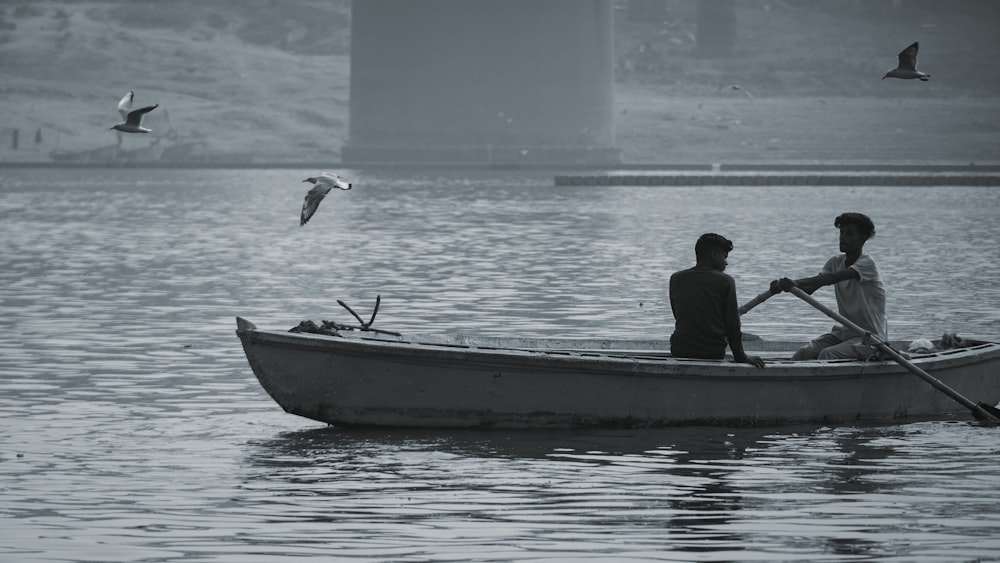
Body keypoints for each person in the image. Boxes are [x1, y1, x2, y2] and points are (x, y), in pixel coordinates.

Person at [771, 212, 886, 360]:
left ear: (863, 238)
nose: (842, 238)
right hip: (846, 332)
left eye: (849, 234)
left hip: (870, 338)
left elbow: (833, 278)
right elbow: (810, 289)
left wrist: (796, 282)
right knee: (805, 352)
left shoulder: (867, 264)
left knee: (828, 354)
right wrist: (784, 286)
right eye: (841, 233)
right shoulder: (834, 262)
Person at [670, 233, 765, 368]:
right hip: (711, 352)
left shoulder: (676, 278)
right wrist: (740, 356)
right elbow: (732, 324)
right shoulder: (726, 281)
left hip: (679, 349)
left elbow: (679, 315)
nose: (726, 262)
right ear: (714, 255)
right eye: (724, 257)